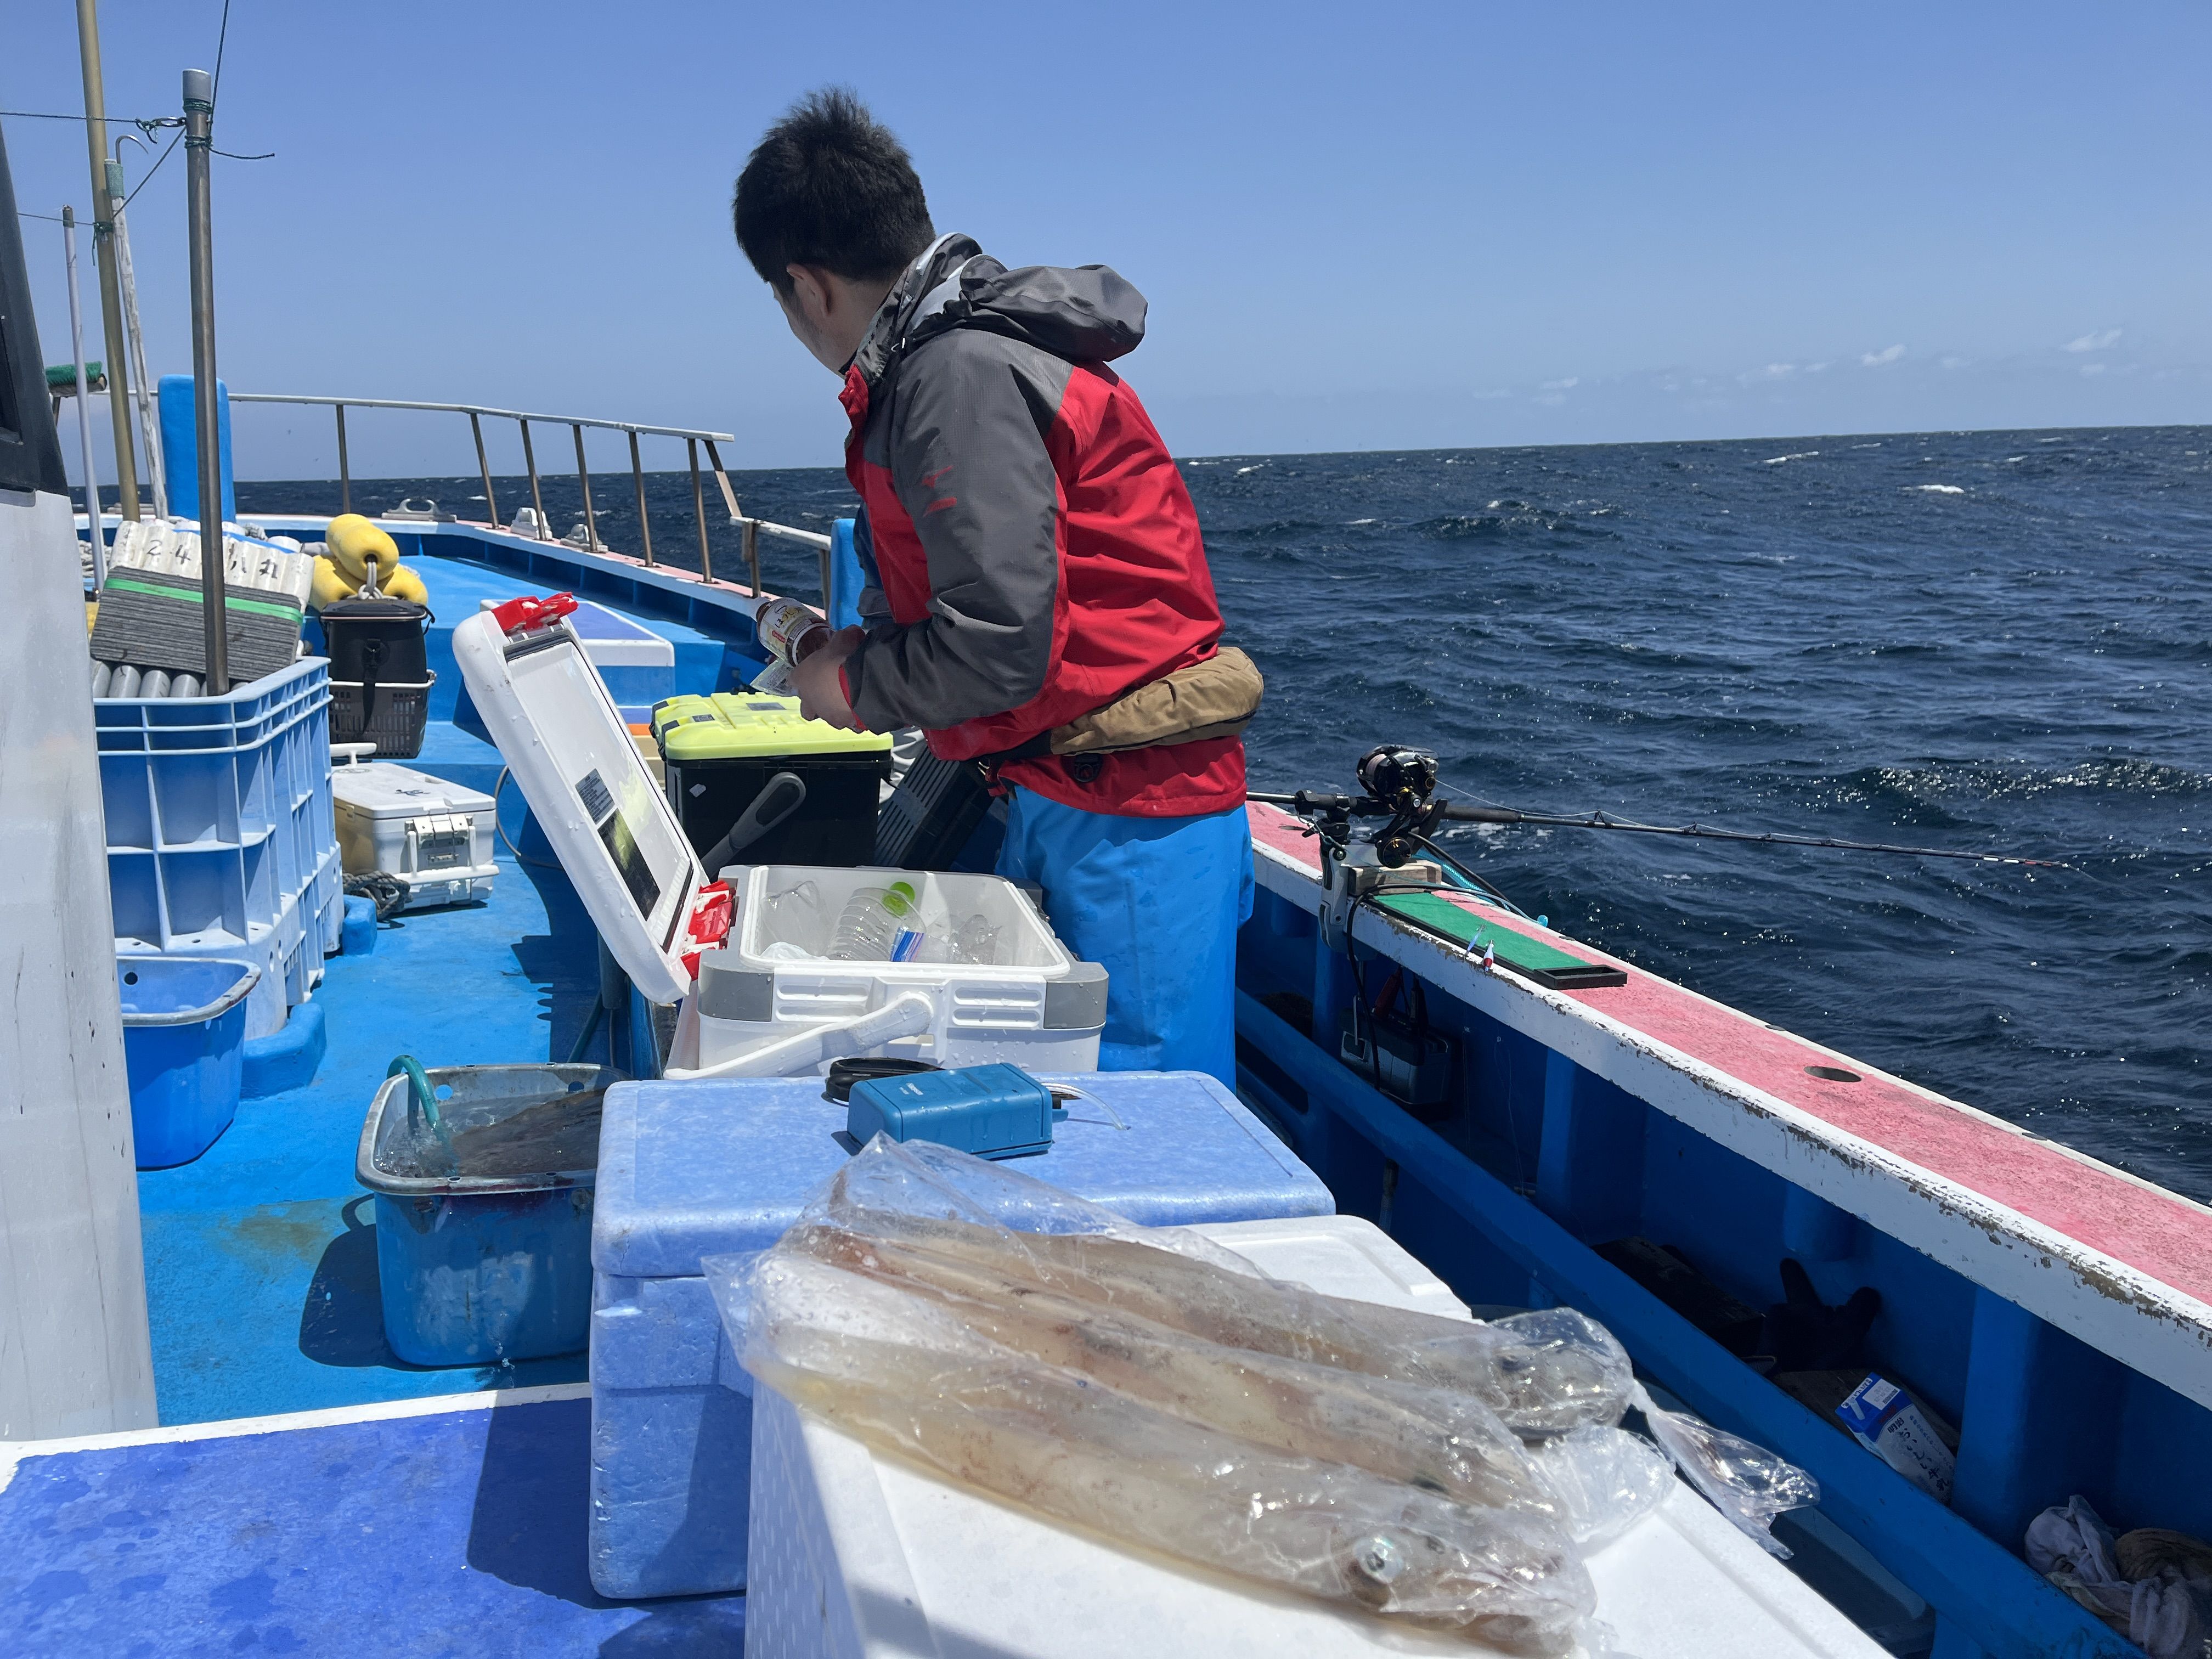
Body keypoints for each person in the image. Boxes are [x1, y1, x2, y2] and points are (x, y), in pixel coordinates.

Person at [731, 88, 1259, 1084]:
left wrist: (849, 688)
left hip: (1128, 814)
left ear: (805, 286)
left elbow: (998, 640)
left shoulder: (954, 375)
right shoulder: (946, 358)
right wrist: (861, 650)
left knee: (1138, 1115)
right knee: (1069, 1094)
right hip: (1071, 785)